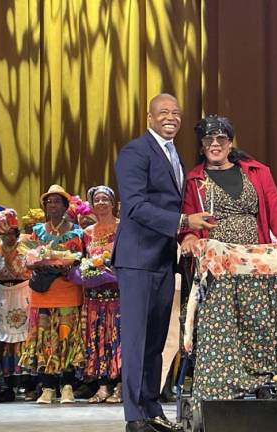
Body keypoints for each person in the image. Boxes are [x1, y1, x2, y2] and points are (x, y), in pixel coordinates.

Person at [113, 93, 213, 432]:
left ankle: (151, 408)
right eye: (163, 112)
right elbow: (135, 206)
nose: (171, 117)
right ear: (149, 117)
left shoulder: (174, 155)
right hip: (138, 259)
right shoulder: (135, 152)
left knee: (156, 340)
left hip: (162, 259)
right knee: (138, 340)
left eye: (176, 113)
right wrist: (184, 222)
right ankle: (134, 416)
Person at [180, 114, 277, 253]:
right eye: (208, 140)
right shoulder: (193, 180)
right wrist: (189, 238)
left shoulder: (257, 172)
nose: (215, 143)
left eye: (221, 139)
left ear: (230, 143)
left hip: (255, 257)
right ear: (202, 147)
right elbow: (189, 218)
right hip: (216, 258)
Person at [19, 184, 85, 404]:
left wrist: (60, 261)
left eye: (57, 201)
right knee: (45, 339)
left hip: (67, 290)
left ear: (66, 206)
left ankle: (67, 385)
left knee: (67, 337)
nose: (52, 205)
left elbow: (78, 258)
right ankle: (47, 386)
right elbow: (28, 258)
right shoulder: (36, 231)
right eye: (48, 202)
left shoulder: (77, 231)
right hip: (43, 293)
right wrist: (39, 260)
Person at [81, 186, 122, 403]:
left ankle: (122, 386)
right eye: (97, 200)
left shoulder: (122, 227)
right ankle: (103, 385)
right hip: (95, 295)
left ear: (113, 203)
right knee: (98, 339)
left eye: (105, 199)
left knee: (120, 339)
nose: (101, 203)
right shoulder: (87, 233)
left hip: (119, 294)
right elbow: (83, 262)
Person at [0, 209, 32, 401]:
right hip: (2, 294)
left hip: (22, 291)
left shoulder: (27, 243)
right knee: (4, 338)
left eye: (11, 231)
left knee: (24, 336)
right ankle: (6, 383)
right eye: (3, 232)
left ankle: (27, 381)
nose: (8, 236)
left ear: (16, 231)